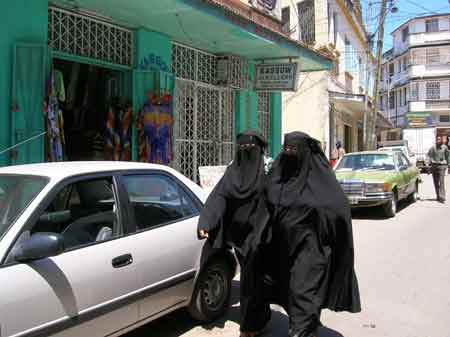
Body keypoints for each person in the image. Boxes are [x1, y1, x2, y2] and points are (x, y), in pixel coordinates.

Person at [264, 132, 361, 337]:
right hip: (284, 249)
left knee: (302, 292)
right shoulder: (279, 177)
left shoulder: (321, 181)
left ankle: (301, 331)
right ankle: (310, 326)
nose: (288, 154)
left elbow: (338, 208)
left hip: (313, 250)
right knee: (293, 294)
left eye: (294, 150)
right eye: (286, 149)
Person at [197, 131, 271, 337]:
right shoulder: (232, 172)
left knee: (254, 281)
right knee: (250, 281)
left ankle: (252, 323)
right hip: (239, 237)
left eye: (250, 148)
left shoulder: (266, 173)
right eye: (242, 148)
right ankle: (252, 324)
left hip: (260, 236)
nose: (246, 152)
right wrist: (207, 221)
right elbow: (218, 196)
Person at [428, 136, 450, 203]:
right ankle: (438, 196)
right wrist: (431, 161)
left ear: (441, 140)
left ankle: (442, 197)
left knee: (441, 181)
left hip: (442, 166)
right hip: (434, 166)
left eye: (440, 139)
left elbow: (448, 156)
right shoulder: (432, 148)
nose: (438, 141)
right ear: (436, 140)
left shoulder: (445, 147)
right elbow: (429, 155)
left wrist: (449, 165)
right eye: (437, 139)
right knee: (436, 182)